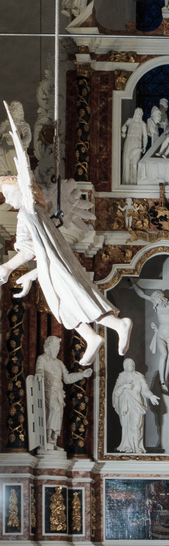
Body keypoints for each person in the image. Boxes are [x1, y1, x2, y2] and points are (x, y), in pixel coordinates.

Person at [0, 102, 132, 367]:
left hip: (57, 265)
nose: (4, 198)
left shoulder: (30, 208)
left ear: (17, 190)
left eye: (5, 192)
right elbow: (32, 251)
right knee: (61, 306)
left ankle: (118, 324)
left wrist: (15, 135)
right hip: (51, 267)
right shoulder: (25, 215)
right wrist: (22, 273)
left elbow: (24, 176)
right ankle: (92, 336)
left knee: (76, 296)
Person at [34, 335, 92, 450]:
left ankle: (53, 441)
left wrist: (82, 375)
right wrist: (39, 375)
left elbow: (67, 378)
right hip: (47, 390)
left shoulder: (59, 363)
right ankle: (47, 438)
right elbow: (39, 369)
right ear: (49, 347)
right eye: (55, 347)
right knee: (54, 409)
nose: (57, 349)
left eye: (58, 347)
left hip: (59, 392)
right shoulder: (42, 359)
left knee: (58, 413)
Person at [112, 358, 159, 454]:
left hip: (137, 404)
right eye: (128, 363)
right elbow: (116, 392)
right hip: (125, 405)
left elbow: (145, 389)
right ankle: (128, 446)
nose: (131, 365)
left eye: (132, 363)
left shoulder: (139, 376)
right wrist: (124, 386)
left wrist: (151, 396)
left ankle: (137, 446)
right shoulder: (121, 377)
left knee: (136, 425)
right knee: (126, 425)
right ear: (125, 366)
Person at [0, 102, 31, 176]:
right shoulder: (5, 125)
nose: (13, 111)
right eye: (12, 109)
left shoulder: (23, 125)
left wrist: (21, 143)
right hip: (4, 145)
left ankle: (15, 173)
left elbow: (27, 136)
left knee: (13, 151)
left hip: (16, 145)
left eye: (15, 109)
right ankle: (3, 172)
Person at [120, 108, 148, 184]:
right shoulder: (130, 121)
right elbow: (123, 130)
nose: (138, 114)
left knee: (135, 163)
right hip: (129, 142)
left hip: (137, 143)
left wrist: (144, 146)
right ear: (135, 113)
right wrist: (123, 130)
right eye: (137, 112)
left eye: (140, 113)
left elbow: (145, 137)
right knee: (126, 161)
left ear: (141, 115)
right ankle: (126, 181)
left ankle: (133, 182)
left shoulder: (142, 124)